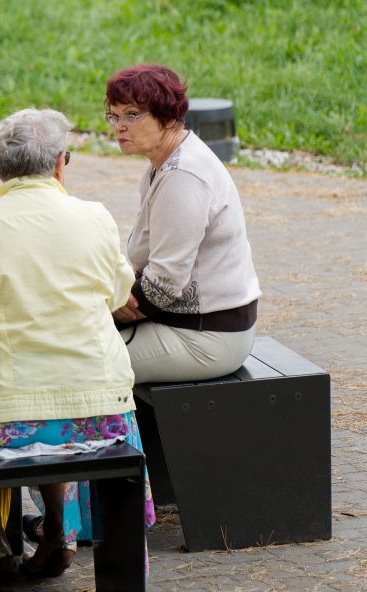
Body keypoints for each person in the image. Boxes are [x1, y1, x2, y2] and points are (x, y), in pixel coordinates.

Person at [0, 108, 155, 580]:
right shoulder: (95, 218)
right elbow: (116, 294)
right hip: (97, 411)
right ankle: (57, 532)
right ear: (61, 163)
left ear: (0, 168)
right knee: (55, 395)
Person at [105, 64, 261, 383]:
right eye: (114, 116)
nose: (119, 126)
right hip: (185, 322)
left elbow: (164, 285)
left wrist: (113, 305)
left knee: (82, 364)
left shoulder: (183, 176)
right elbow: (140, 258)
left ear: (168, 116)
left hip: (207, 336)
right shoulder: (162, 165)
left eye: (132, 115)